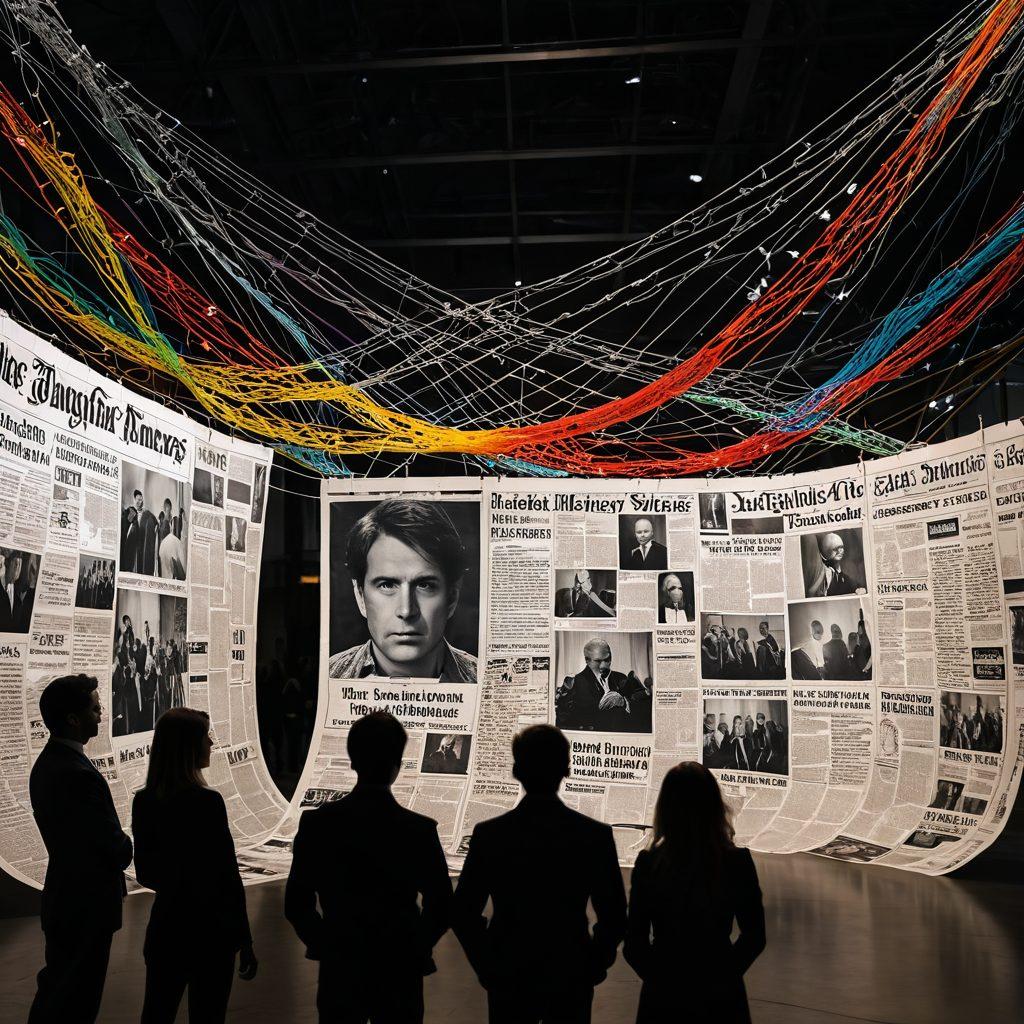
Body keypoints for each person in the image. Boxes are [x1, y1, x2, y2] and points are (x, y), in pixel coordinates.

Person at [453, 725, 626, 1023]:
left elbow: (463, 912)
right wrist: (594, 963)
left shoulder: (491, 835)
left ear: (517, 771)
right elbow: (614, 914)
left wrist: (488, 965)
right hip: (570, 968)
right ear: (566, 769)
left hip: (509, 969)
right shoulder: (593, 836)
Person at [286, 711, 451, 1023]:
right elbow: (440, 905)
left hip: (341, 965)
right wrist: (415, 947)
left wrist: (327, 945)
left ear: (352, 761)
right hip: (399, 966)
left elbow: (297, 904)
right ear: (397, 766)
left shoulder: (318, 824)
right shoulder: (418, 830)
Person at [132, 708, 257, 1023]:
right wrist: (245, 939)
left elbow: (146, 872)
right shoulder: (207, 803)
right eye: (206, 736)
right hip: (211, 931)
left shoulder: (145, 801)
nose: (212, 743)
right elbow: (228, 877)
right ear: (189, 746)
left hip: (167, 927)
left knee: (157, 1013)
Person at [624, 762, 765, 1023]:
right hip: (722, 997)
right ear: (714, 807)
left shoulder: (649, 864)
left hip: (663, 995)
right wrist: (724, 975)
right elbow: (755, 936)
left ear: (666, 809)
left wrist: (662, 979)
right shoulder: (737, 862)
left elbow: (634, 944)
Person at [28, 674, 134, 1024]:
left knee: (61, 987)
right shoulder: (74, 772)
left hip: (69, 899)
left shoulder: (54, 763)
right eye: (94, 708)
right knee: (76, 997)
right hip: (84, 903)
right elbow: (106, 842)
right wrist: (130, 843)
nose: (102, 714)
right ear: (73, 718)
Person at [329, 499, 477, 683]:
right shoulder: (327, 677)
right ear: (360, 596)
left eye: (425, 585)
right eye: (387, 585)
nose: (406, 611)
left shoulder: (485, 679)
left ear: (452, 597)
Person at [555, 638, 651, 733]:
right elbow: (566, 720)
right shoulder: (576, 682)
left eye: (607, 660)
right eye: (598, 661)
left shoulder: (621, 678)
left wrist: (624, 703)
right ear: (587, 660)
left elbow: (643, 711)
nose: (604, 666)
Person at [803, 532, 864, 597]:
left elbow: (855, 586)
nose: (841, 551)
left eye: (841, 547)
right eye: (836, 548)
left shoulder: (844, 578)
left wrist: (860, 589)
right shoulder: (822, 572)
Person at [158, 514, 186, 580]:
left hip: (165, 579)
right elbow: (182, 563)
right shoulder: (176, 541)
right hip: (174, 579)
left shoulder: (162, 544)